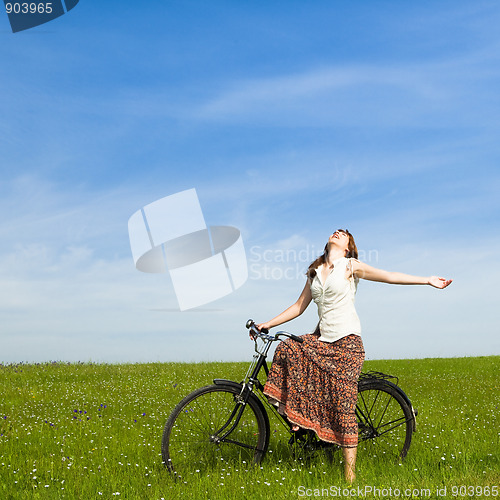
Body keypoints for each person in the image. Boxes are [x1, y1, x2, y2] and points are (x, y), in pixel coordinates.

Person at [257, 229, 452, 484]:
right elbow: (298, 307)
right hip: (323, 340)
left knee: (344, 405)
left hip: (347, 344)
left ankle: (350, 474)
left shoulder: (350, 266)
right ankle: (301, 417)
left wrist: (426, 280)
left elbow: (389, 276)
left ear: (348, 247)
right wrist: (267, 324)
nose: (338, 232)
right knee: (288, 348)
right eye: (335, 231)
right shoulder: (314, 272)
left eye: (344, 234)